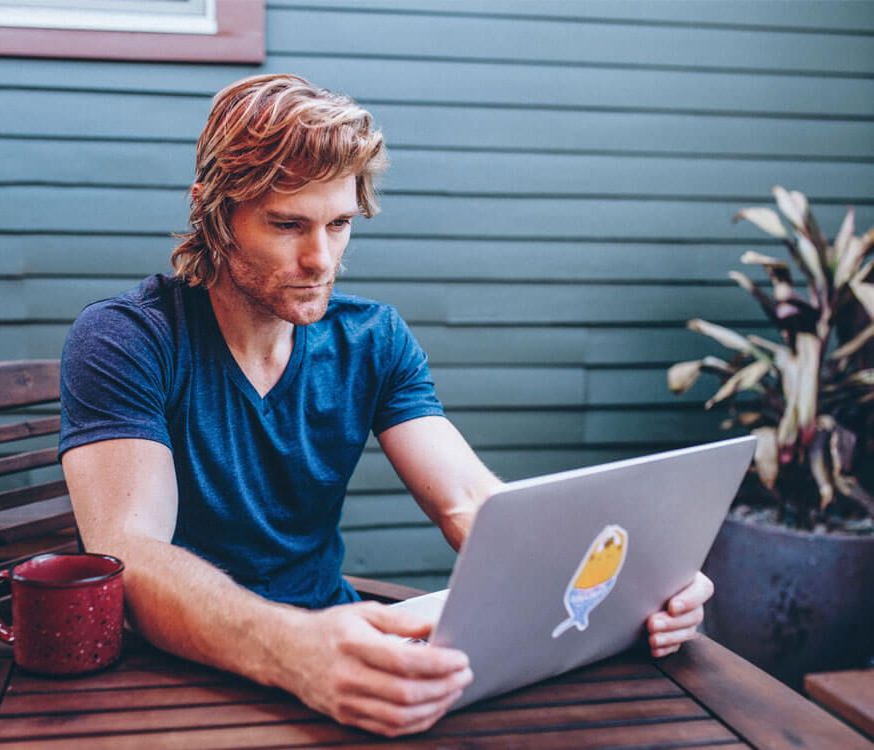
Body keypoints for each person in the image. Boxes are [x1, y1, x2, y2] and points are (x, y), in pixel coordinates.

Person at [58, 73, 714, 737]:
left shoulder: (373, 341)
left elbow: (473, 504)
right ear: (214, 213)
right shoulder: (130, 339)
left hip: (337, 651)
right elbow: (129, 553)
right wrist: (293, 650)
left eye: (339, 224)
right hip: (174, 678)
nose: (321, 258)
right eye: (288, 224)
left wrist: (634, 589)